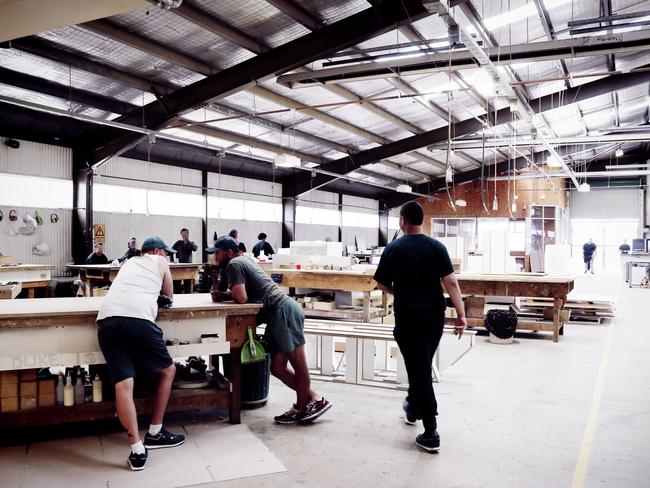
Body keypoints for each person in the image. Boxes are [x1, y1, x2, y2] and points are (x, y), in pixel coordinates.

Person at [207, 236, 332, 424]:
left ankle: (301, 407)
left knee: (298, 363)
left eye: (217, 253)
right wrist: (225, 294)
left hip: (284, 310)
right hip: (277, 314)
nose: (215, 257)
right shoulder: (243, 260)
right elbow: (245, 293)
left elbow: (241, 298)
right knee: (277, 368)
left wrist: (227, 293)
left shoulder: (234, 264)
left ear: (229, 252)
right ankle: (313, 398)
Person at [373, 201, 466, 453]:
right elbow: (452, 283)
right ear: (421, 220)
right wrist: (461, 315)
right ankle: (413, 407)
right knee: (421, 364)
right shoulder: (437, 247)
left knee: (420, 370)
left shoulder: (393, 249)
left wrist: (398, 291)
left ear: (403, 220)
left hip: (408, 318)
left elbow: (381, 284)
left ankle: (431, 431)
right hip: (434, 318)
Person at [96, 236, 184, 471]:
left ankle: (136, 450)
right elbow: (169, 297)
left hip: (106, 322)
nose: (167, 257)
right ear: (157, 250)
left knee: (124, 384)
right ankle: (155, 432)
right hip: (138, 321)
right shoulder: (159, 260)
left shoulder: (128, 263)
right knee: (168, 369)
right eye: (166, 253)